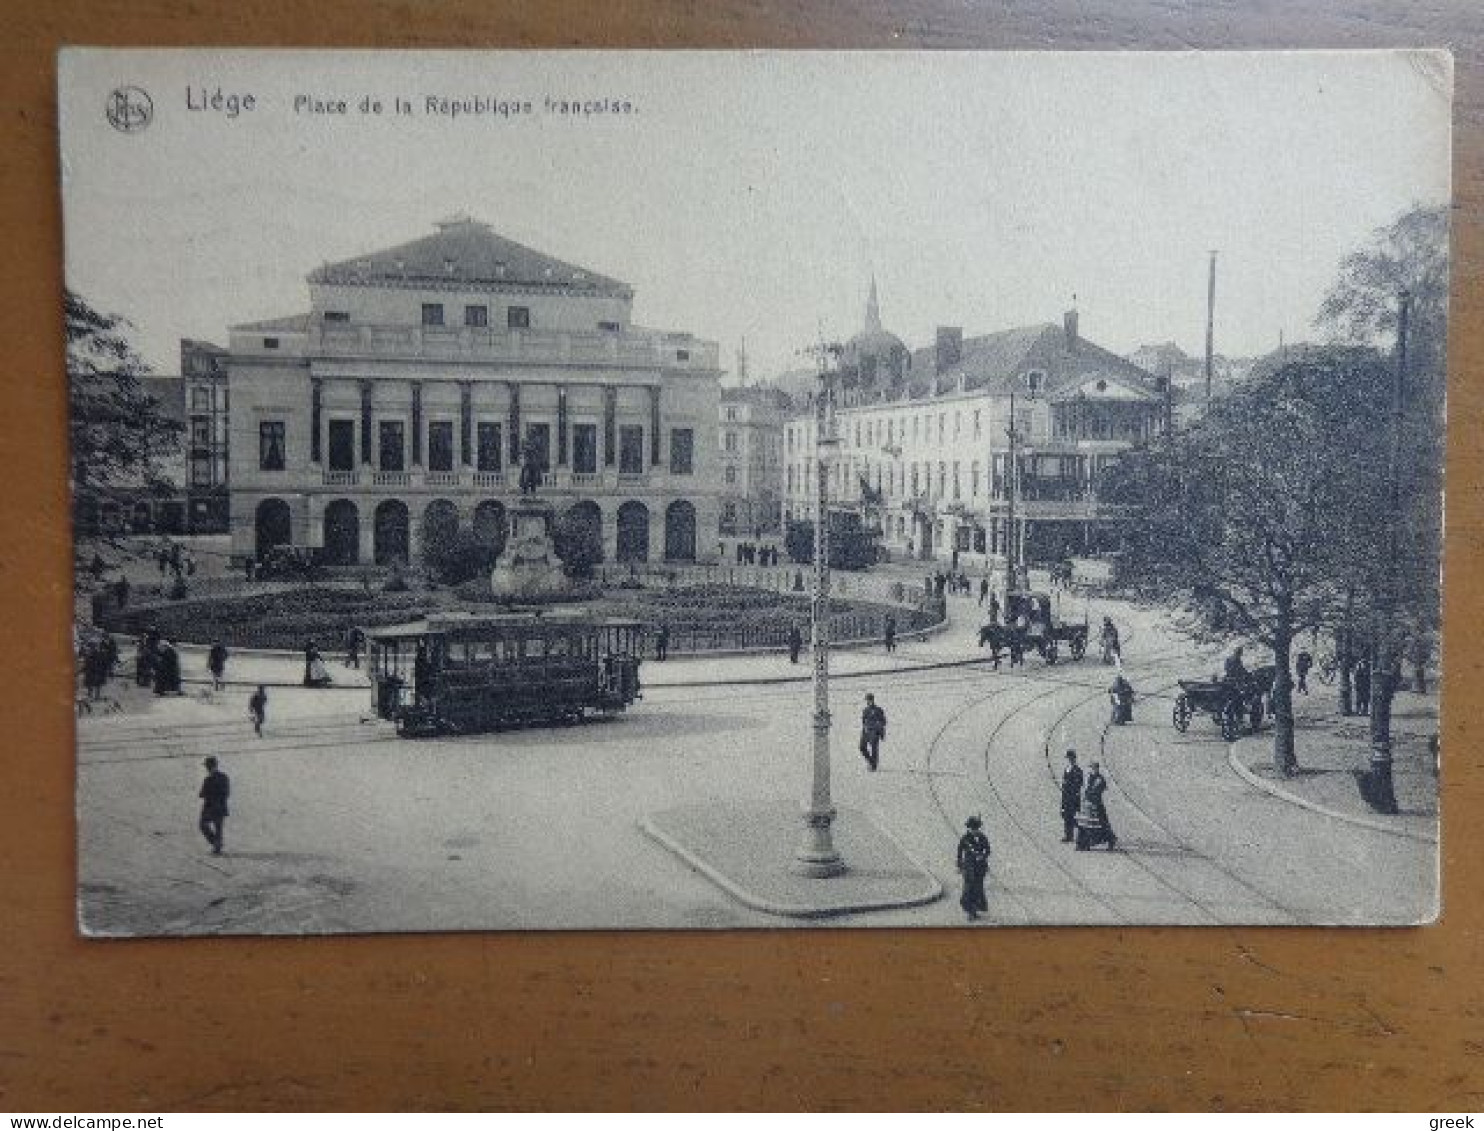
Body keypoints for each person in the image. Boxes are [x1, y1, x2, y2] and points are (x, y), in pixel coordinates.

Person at [956, 816, 991, 921]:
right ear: (969, 828)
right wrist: (960, 865)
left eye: (976, 828)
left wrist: (983, 856)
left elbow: (988, 850)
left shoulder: (983, 837)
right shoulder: (965, 838)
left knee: (978, 889)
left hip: (980, 868)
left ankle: (975, 911)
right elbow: (959, 852)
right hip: (969, 868)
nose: (974, 831)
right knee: (968, 889)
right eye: (972, 828)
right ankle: (970, 912)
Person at [198, 756, 230, 855]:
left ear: (208, 767)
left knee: (203, 825)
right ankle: (217, 846)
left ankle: (216, 844)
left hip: (210, 807)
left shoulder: (208, 779)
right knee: (218, 828)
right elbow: (227, 792)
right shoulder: (224, 777)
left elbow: (202, 794)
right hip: (221, 806)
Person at [1083, 761, 1117, 850]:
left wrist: (1089, 795)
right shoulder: (1092, 777)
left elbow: (1096, 790)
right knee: (1092, 824)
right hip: (1091, 804)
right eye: (1091, 768)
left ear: (1096, 769)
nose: (1091, 770)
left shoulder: (1099, 779)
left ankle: (1111, 840)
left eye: (1093, 768)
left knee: (1102, 823)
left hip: (1097, 804)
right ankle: (1092, 841)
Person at [1060, 750, 1085, 842]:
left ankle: (1082, 833)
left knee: (1073, 817)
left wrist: (1072, 790)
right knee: (1066, 816)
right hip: (1065, 796)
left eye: (1071, 758)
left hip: (1073, 797)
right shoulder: (1067, 768)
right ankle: (1068, 835)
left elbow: (1079, 784)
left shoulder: (1077, 770)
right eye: (1068, 758)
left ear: (1074, 759)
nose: (1070, 760)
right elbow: (1064, 780)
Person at [859, 693, 887, 771]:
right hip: (866, 731)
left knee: (874, 749)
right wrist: (864, 729)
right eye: (867, 700)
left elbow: (883, 722)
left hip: (875, 731)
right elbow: (863, 721)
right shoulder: (865, 710)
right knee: (862, 747)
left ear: (872, 700)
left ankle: (874, 766)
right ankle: (871, 762)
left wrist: (881, 732)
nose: (868, 702)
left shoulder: (878, 710)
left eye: (869, 700)